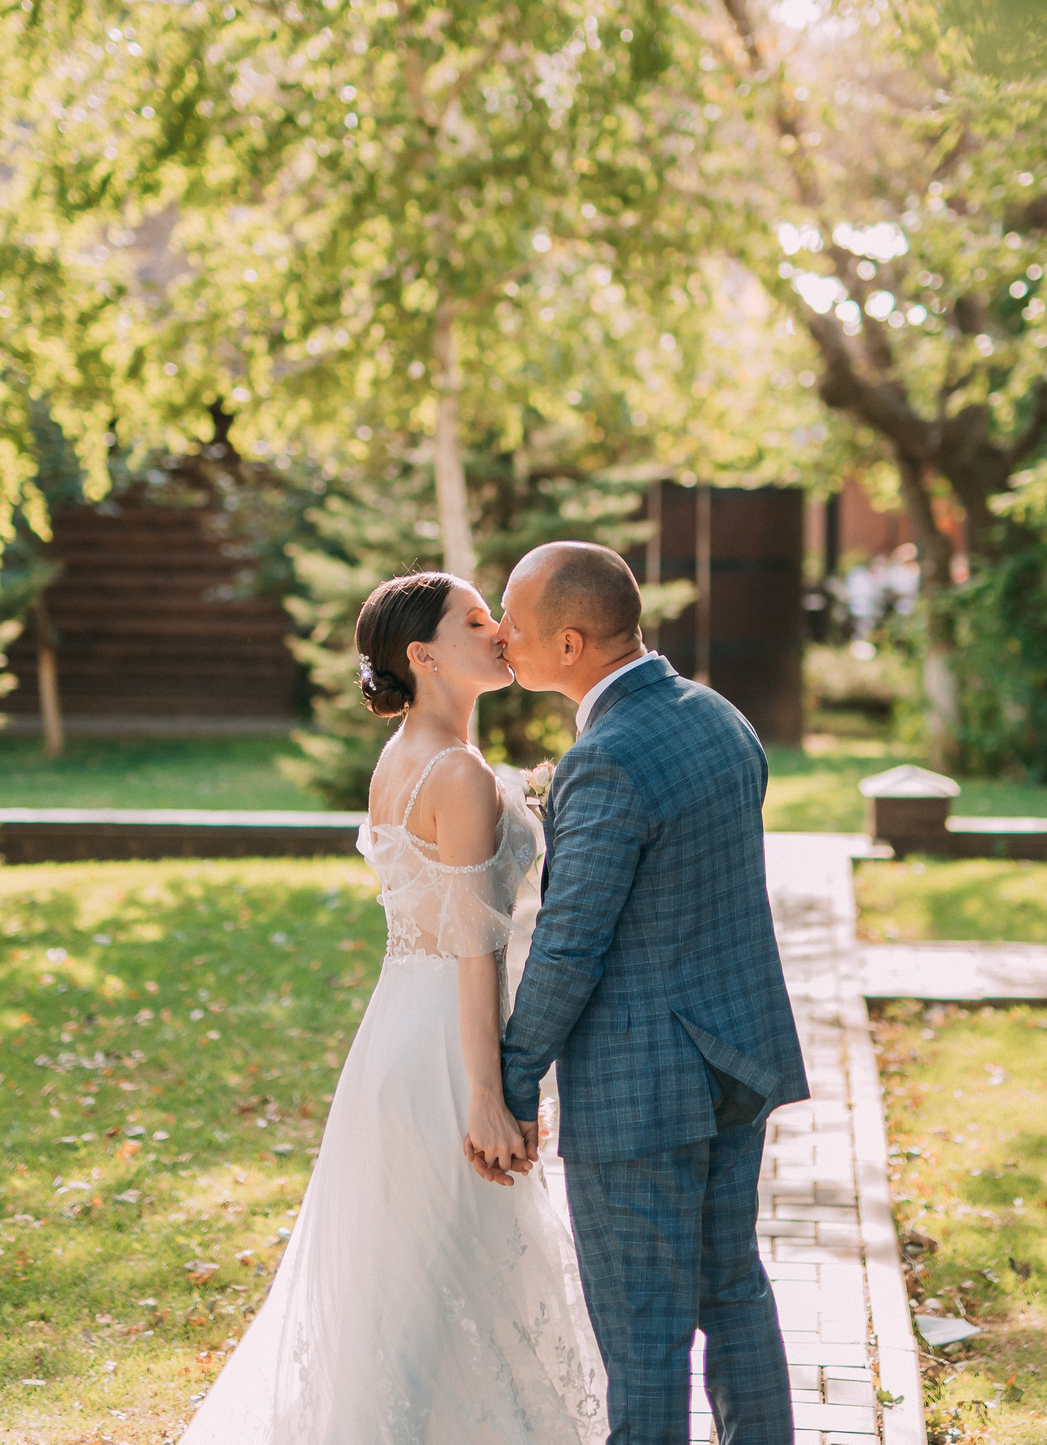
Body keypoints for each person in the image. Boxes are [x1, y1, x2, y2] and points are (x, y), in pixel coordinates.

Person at [179, 571, 605, 1444]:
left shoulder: (408, 755)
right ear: (423, 654)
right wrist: (488, 1095)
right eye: (478, 619)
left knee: (422, 1270)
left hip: (399, 1031)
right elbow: (472, 948)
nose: (499, 630)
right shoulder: (451, 772)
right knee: (439, 1266)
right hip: (446, 1043)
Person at [494, 541, 809, 1445]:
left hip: (645, 1087)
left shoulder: (610, 757)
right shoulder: (718, 716)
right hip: (735, 1061)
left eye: (517, 620)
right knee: (733, 1289)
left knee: (643, 1337)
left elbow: (568, 948)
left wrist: (514, 1082)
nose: (503, 634)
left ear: (572, 642)